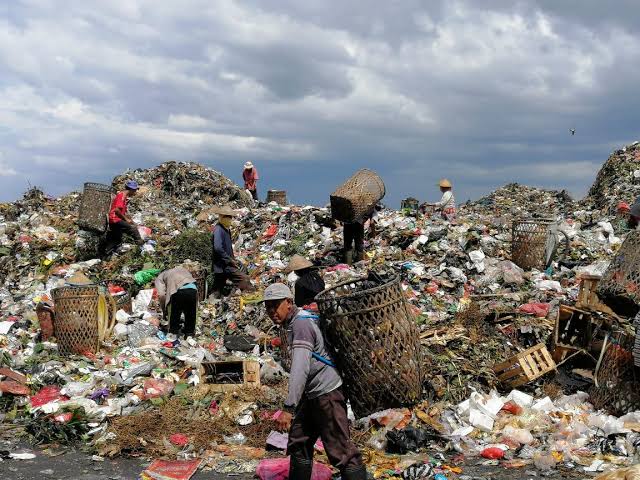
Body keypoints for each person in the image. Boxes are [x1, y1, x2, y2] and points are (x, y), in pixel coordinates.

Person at [264, 283, 365, 480]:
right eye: (268, 307)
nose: (272, 311)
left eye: (275, 305)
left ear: (289, 302)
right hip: (312, 394)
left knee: (340, 451)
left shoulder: (301, 325)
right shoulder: (297, 322)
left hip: (326, 393)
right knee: (299, 441)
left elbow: (300, 369)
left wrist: (289, 407)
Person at [210, 205, 254, 297]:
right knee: (244, 279)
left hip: (224, 264)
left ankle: (222, 299)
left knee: (218, 288)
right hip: (224, 265)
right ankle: (238, 296)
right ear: (221, 217)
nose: (229, 219)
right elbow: (218, 248)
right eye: (227, 217)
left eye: (230, 217)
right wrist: (230, 260)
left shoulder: (226, 230)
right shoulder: (218, 230)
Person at [100, 180, 144, 256]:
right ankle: (141, 248)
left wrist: (131, 221)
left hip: (114, 220)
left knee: (117, 239)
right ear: (131, 189)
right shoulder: (121, 196)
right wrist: (126, 220)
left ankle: (104, 254)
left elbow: (123, 212)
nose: (135, 192)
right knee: (133, 229)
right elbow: (117, 210)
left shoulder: (123, 196)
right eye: (135, 190)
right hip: (114, 219)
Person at [155, 264, 198, 338]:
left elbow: (161, 295)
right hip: (193, 289)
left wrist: (164, 311)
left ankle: (173, 333)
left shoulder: (160, 277)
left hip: (179, 291)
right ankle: (189, 334)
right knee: (190, 312)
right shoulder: (180, 269)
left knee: (175, 312)